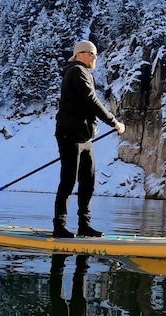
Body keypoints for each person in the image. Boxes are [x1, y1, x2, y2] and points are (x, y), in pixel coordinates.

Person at [53, 40, 125, 238]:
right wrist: (114, 122)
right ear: (79, 55)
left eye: (96, 53)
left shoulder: (85, 73)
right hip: (70, 135)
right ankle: (59, 227)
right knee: (68, 181)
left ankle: (84, 226)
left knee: (88, 182)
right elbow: (90, 100)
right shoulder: (76, 71)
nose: (95, 56)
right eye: (91, 53)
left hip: (84, 137)